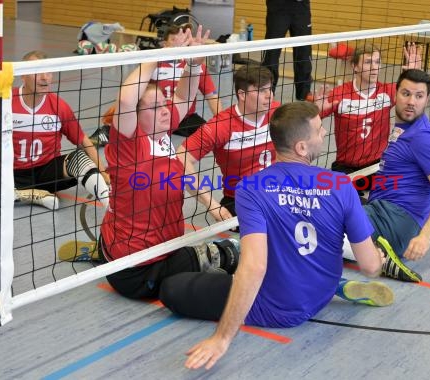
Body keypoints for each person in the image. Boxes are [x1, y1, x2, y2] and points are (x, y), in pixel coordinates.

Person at [158, 101, 393, 370]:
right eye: (318, 130)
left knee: (172, 288)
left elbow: (255, 267)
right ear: (301, 148)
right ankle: (338, 285)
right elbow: (370, 267)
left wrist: (222, 338)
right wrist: (378, 257)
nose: (325, 132)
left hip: (278, 308)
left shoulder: (251, 188)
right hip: (321, 292)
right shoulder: (342, 185)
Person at [98, 26, 240, 300]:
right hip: (138, 265)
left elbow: (184, 97)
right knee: (225, 255)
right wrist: (164, 53)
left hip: (166, 246)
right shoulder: (128, 142)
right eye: (155, 107)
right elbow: (127, 99)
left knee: (209, 258)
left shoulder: (161, 133)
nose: (166, 111)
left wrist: (195, 64)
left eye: (165, 104)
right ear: (135, 117)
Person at [342, 69, 430, 283]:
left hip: (396, 221)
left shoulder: (424, 137)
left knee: (321, 221)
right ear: (395, 94)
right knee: (337, 199)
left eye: (419, 96)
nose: (411, 101)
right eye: (406, 94)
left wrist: (425, 237)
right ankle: (372, 248)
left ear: (427, 99)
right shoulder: (404, 129)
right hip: (384, 209)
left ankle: (379, 259)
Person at [0, 50, 110, 210]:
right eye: (37, 72)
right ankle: (31, 195)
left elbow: (83, 141)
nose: (45, 77)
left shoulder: (58, 106)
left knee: (79, 158)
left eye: (48, 72)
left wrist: (103, 173)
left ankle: (111, 206)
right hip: (11, 175)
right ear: (23, 75)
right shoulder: (2, 104)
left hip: (48, 172)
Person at [314, 42, 421, 196]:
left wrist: (413, 76)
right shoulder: (339, 94)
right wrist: (317, 110)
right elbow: (307, 123)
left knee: (405, 192)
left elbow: (415, 99)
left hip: (378, 166)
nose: (374, 67)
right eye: (368, 62)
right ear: (354, 66)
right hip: (347, 167)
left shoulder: (388, 91)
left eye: (377, 62)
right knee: (339, 205)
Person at [89, 23, 223, 145]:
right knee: (131, 128)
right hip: (157, 116)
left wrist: (223, 122)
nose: (178, 43)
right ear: (165, 45)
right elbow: (132, 95)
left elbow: (212, 97)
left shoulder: (195, 65)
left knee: (212, 133)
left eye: (182, 39)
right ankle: (107, 131)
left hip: (185, 117)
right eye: (174, 40)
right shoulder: (153, 65)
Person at [177, 64, 280, 218]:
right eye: (261, 90)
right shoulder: (221, 126)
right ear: (242, 94)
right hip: (242, 202)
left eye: (270, 89)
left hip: (278, 194)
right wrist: (211, 204)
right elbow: (181, 157)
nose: (269, 95)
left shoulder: (278, 112)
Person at [261, 0, 312, 101]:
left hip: (301, 7)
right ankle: (268, 92)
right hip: (278, 7)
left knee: (304, 53)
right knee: (271, 54)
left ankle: (304, 93)